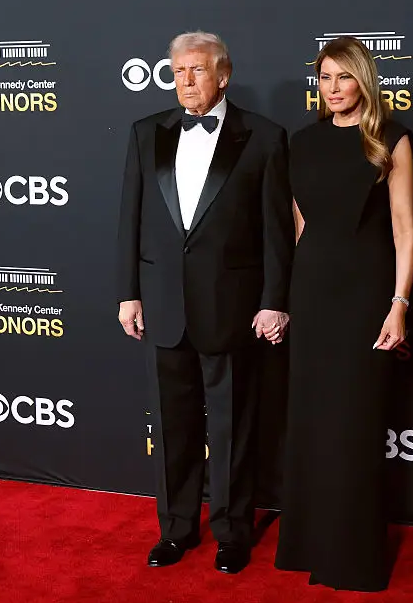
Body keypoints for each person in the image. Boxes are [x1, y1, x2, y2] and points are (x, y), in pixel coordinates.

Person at [115, 31, 294, 574]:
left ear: (224, 74)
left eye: (195, 70)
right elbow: (132, 219)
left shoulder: (263, 137)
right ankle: (175, 531)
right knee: (172, 427)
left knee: (233, 428)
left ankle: (233, 534)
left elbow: (276, 232)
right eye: (176, 71)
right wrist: (129, 293)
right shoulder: (146, 132)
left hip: (233, 307)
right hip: (164, 305)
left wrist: (273, 301)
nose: (184, 81)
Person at [274, 36, 413, 591]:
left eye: (343, 78)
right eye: (324, 78)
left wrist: (398, 306)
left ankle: (352, 557)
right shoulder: (301, 143)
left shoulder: (389, 140)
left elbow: (405, 229)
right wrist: (286, 300)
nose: (333, 89)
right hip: (312, 291)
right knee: (311, 421)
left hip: (365, 293)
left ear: (364, 80)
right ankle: (307, 545)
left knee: (354, 424)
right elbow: (300, 227)